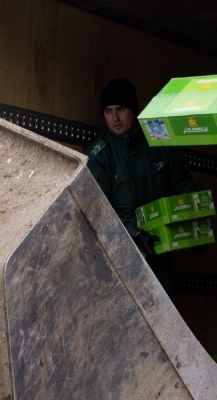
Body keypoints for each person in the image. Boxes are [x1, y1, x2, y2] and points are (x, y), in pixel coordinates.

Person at [84, 78, 197, 293]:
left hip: (158, 247)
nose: (114, 118)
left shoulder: (158, 139)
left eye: (121, 109)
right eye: (108, 111)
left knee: (164, 313)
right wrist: (134, 234)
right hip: (118, 251)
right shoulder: (99, 156)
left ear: (134, 110)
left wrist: (193, 224)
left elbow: (182, 182)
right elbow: (95, 209)